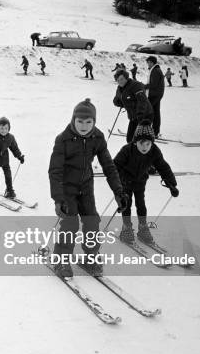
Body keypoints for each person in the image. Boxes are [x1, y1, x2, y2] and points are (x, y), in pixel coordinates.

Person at [48, 99, 127, 277]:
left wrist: (118, 191)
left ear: (94, 122)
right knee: (70, 222)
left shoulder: (97, 138)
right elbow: (55, 171)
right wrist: (58, 199)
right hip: (67, 187)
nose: (84, 126)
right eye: (80, 121)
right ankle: (61, 259)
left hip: (86, 186)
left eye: (88, 122)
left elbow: (109, 166)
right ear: (73, 120)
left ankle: (91, 257)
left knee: (92, 221)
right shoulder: (63, 139)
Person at [114, 121, 178, 245]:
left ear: (152, 143)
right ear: (135, 142)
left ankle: (143, 228)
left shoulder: (154, 151)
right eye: (141, 144)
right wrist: (120, 181)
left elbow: (163, 167)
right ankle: (127, 227)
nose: (144, 147)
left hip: (140, 182)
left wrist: (172, 185)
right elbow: (115, 166)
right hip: (125, 182)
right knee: (126, 204)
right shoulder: (127, 150)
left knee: (141, 205)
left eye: (148, 144)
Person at [113, 69, 153, 143]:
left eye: (121, 79)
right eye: (117, 80)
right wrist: (118, 102)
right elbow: (117, 99)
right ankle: (132, 153)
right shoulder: (120, 88)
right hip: (133, 116)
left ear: (126, 78)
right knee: (130, 139)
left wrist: (140, 114)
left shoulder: (135, 85)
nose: (119, 82)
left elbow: (142, 101)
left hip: (145, 115)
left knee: (141, 140)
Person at [145, 56, 165, 137]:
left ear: (152, 62)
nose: (148, 64)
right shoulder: (155, 70)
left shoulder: (155, 71)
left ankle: (149, 131)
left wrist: (144, 86)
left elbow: (154, 84)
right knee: (155, 113)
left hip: (154, 95)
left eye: (148, 62)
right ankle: (155, 132)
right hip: (156, 94)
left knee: (149, 112)